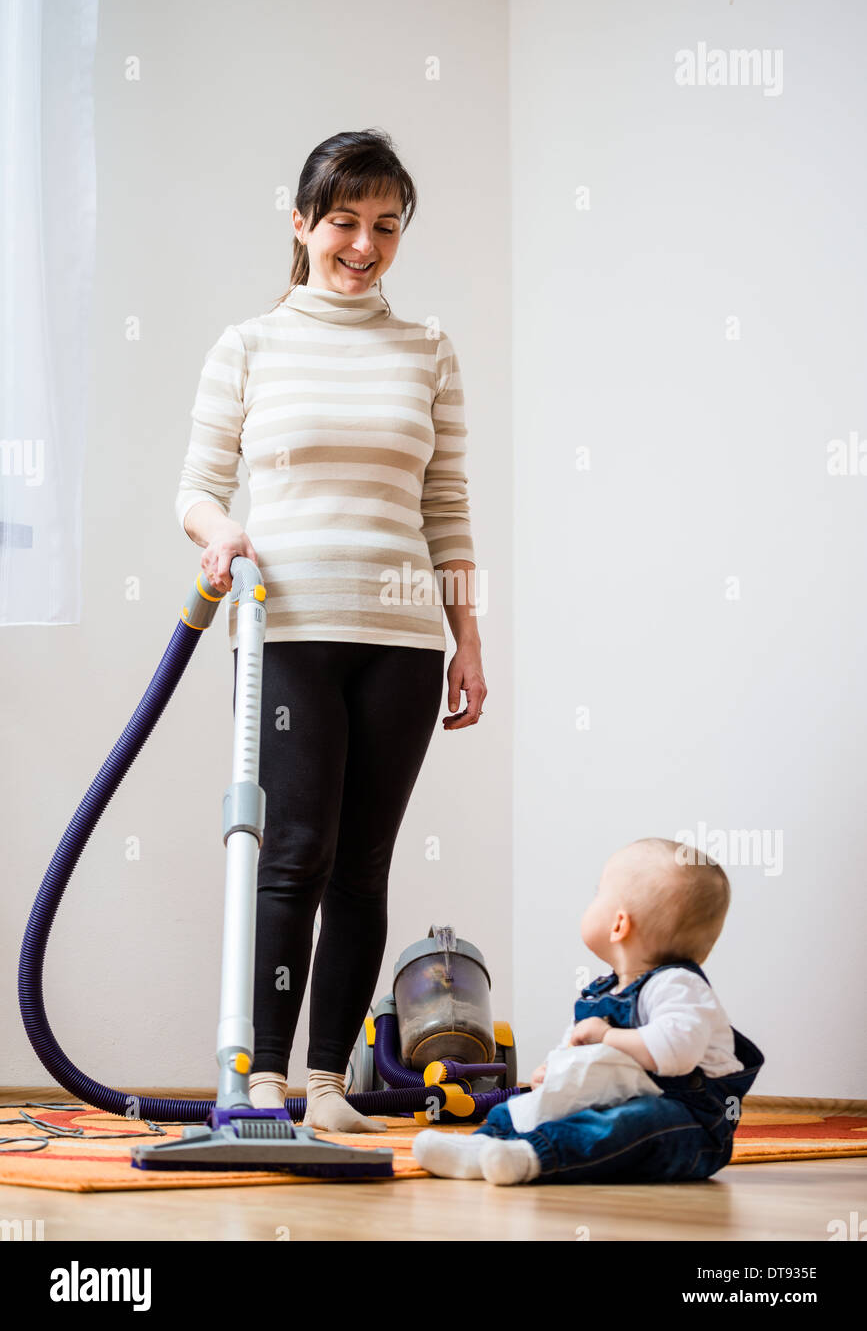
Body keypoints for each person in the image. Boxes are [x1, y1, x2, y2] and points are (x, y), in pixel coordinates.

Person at [175, 129, 487, 1132]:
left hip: (402, 638)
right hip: (289, 629)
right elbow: (198, 487)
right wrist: (225, 535)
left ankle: (325, 1085)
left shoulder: (428, 348)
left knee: (363, 865)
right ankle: (263, 1074)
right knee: (293, 850)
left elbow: (448, 502)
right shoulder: (250, 344)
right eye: (344, 221)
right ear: (302, 222)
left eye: (386, 226)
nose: (364, 243)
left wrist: (467, 634)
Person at [413, 837, 764, 1184]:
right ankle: (482, 1147)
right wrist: (552, 1071)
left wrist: (608, 1036)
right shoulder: (602, 992)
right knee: (518, 1109)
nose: (592, 899)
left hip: (688, 1124)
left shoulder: (679, 987)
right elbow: (576, 1048)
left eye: (599, 893)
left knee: (629, 1123)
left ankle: (531, 1157)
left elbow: (677, 1054)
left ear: (618, 925)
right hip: (611, 1099)